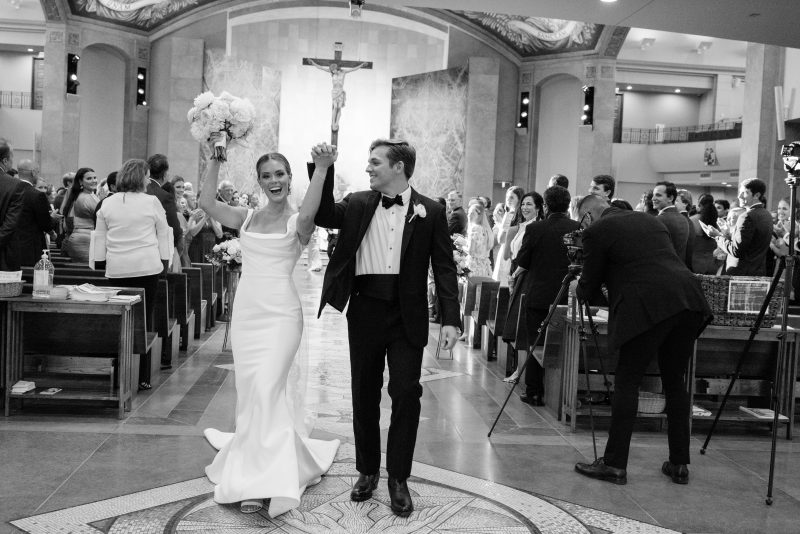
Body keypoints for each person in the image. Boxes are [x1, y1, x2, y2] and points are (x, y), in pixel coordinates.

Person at [314, 138, 460, 517]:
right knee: (363, 391)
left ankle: (398, 476)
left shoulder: (431, 210)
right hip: (364, 309)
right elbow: (324, 214)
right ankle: (367, 470)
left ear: (399, 166)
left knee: (406, 393)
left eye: (375, 162)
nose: (368, 168)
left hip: (407, 313)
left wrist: (451, 318)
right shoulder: (360, 202)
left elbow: (444, 267)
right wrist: (323, 169)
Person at [200, 138, 340, 516]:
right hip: (248, 315)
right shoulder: (246, 217)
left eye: (280, 174)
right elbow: (207, 204)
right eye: (266, 176)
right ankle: (254, 466)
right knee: (252, 393)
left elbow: (310, 216)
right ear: (259, 182)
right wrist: (215, 158)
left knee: (267, 388)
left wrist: (323, 169)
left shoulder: (298, 222)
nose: (273, 180)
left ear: (290, 178)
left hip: (281, 316)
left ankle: (267, 479)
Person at [573, 194, 711, 486]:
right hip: (688, 299)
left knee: (627, 381)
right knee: (674, 381)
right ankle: (679, 464)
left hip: (648, 306)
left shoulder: (596, 231)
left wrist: (578, 286)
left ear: (587, 216)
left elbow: (589, 286)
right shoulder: (650, 219)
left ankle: (614, 465)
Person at [92, 159, 171, 391]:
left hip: (117, 268)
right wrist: (164, 262)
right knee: (143, 320)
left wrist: (99, 264)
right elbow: (164, 233)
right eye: (146, 176)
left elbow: (99, 236)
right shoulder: (152, 201)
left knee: (120, 320)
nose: (148, 180)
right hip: (147, 266)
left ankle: (119, 375)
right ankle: (143, 377)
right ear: (141, 177)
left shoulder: (108, 203)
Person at [512, 186, 580, 405]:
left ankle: (534, 391)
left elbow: (523, 261)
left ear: (546, 205)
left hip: (538, 294)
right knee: (565, 344)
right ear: (568, 204)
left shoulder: (536, 229)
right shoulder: (578, 228)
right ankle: (561, 394)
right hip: (566, 296)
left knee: (536, 341)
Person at [502, 191, 543, 382]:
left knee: (522, 325)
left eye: (530, 205)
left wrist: (515, 274)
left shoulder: (537, 228)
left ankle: (521, 370)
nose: (525, 207)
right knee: (515, 323)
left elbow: (528, 258)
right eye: (524, 204)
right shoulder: (521, 226)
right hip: (517, 274)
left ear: (538, 208)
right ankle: (516, 368)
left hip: (526, 276)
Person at [702, 178, 772, 276]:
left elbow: (736, 250)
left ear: (757, 195)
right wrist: (727, 234)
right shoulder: (767, 214)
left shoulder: (747, 216)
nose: (740, 196)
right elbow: (750, 244)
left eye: (745, 193)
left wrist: (717, 236)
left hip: (740, 273)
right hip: (757, 272)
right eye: (740, 192)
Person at [9, 160, 59, 268]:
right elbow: (45, 224)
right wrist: (52, 220)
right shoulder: (37, 195)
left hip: (10, 245)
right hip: (31, 247)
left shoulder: (9, 190)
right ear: (33, 173)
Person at [306, 59, 370, 131]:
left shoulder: (343, 72)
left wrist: (361, 65)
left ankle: (337, 122)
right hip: (334, 92)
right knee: (335, 107)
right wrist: (313, 63)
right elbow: (321, 68)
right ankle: (333, 122)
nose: (333, 72)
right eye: (332, 71)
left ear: (337, 68)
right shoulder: (332, 72)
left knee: (339, 107)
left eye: (334, 70)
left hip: (340, 91)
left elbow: (353, 69)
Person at [61, 167, 99, 262]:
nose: (94, 181)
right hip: (84, 241)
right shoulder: (85, 198)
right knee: (88, 273)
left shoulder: (89, 195)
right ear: (81, 182)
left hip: (86, 238)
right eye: (89, 178)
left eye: (95, 177)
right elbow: (102, 216)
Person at [652, 181, 692, 267]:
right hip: (679, 268)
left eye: (658, 195)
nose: (653, 198)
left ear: (670, 198)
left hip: (663, 269)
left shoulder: (659, 220)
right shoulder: (683, 218)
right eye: (653, 195)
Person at [493, 186, 523, 286]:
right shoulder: (509, 213)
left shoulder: (511, 215)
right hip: (506, 250)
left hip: (510, 252)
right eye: (507, 197)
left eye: (512, 197)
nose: (508, 200)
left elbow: (501, 239)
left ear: (519, 199)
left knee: (504, 284)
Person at [0, 141, 24, 270]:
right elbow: (10, 223)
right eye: (12, 157)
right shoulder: (14, 184)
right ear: (4, 160)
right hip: (4, 252)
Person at [690, 193, 722, 275]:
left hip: (695, 263)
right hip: (714, 264)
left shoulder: (692, 220)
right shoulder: (718, 222)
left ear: (699, 205)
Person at [465, 202, 493, 278]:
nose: (469, 216)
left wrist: (462, 245)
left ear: (478, 216)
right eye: (469, 213)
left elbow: (471, 251)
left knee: (472, 288)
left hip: (474, 266)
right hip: (484, 266)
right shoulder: (485, 229)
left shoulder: (474, 228)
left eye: (472, 214)